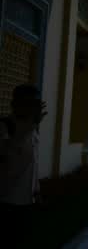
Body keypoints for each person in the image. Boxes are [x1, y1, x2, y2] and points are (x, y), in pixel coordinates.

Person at [0, 85, 47, 246]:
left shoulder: (32, 129)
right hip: (7, 201)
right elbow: (8, 154)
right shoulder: (5, 127)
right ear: (15, 104)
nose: (32, 109)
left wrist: (37, 190)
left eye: (35, 104)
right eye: (28, 104)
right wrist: (29, 126)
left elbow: (33, 162)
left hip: (28, 201)